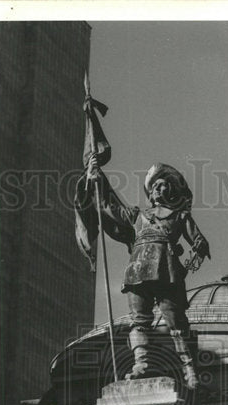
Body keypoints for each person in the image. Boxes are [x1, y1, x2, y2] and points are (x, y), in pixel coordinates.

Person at [85, 154, 210, 387]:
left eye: (164, 185)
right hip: (139, 269)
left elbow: (200, 243)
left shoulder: (181, 216)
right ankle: (141, 364)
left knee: (175, 319)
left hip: (167, 268)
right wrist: (97, 177)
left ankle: (189, 370)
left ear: (171, 191)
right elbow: (110, 206)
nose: (159, 189)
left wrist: (188, 266)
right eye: (155, 186)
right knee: (139, 320)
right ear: (150, 194)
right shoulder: (136, 215)